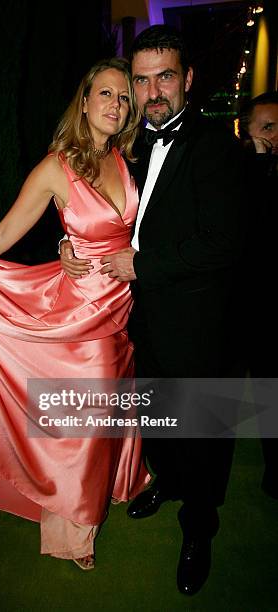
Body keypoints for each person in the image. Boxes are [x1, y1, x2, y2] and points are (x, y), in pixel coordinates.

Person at [0, 58, 150, 571]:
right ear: (83, 103)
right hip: (80, 312)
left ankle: (122, 479)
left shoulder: (131, 158)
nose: (116, 104)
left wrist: (76, 240)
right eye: (105, 94)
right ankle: (74, 525)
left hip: (123, 304)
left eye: (123, 97)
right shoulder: (55, 167)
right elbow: (3, 233)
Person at [61, 25, 247, 594]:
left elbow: (224, 241)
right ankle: (166, 480)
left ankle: (200, 528)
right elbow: (100, 211)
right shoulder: (129, 147)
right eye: (139, 81)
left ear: (187, 78)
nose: (151, 91)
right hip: (139, 317)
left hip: (199, 321)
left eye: (164, 76)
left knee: (205, 430)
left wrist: (144, 266)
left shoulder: (217, 145)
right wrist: (68, 242)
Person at [238, 91, 278, 499]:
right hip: (249, 305)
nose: (276, 135)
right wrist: (261, 162)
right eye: (267, 127)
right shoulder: (239, 173)